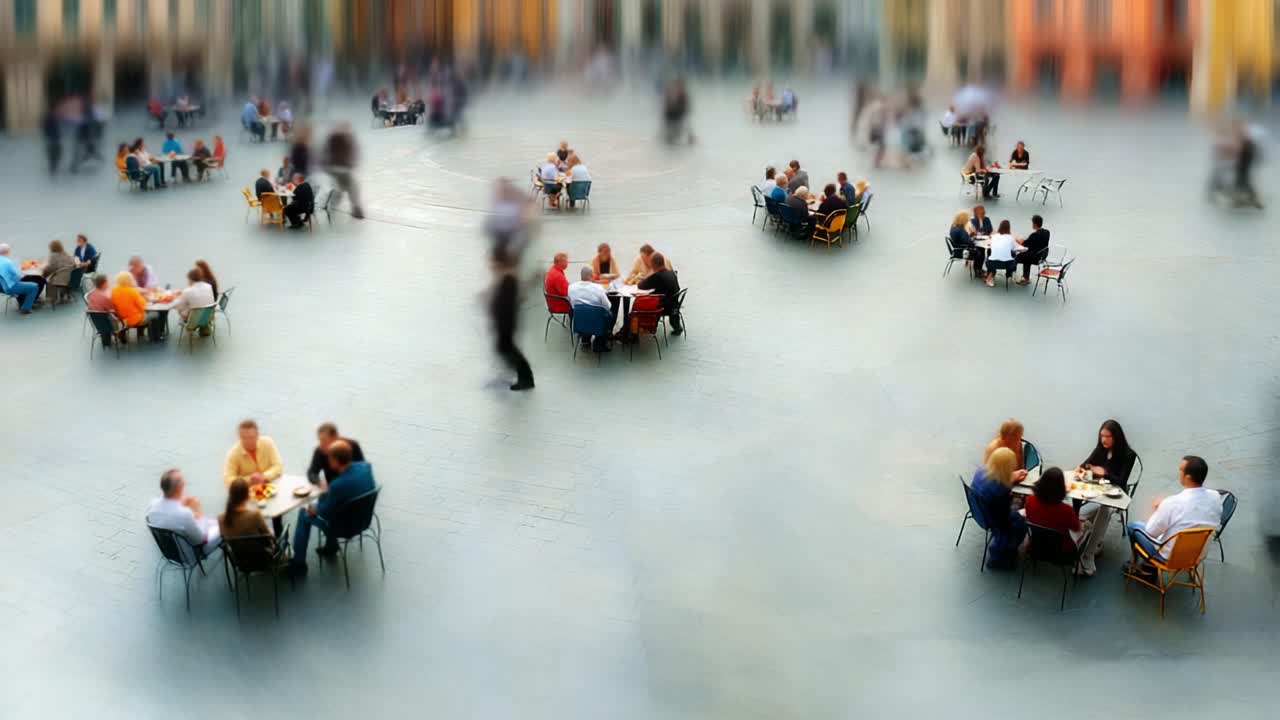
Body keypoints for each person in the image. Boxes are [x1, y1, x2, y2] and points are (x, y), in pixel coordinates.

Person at [287, 440, 375, 577]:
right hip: (364, 518)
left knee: (303, 513)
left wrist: (312, 507)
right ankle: (331, 546)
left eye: (329, 458)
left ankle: (298, 564)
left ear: (335, 461)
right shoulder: (366, 467)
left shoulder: (337, 485)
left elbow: (324, 512)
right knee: (330, 502)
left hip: (345, 527)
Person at [1127, 456, 1224, 572]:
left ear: (1187, 477)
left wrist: (1159, 510)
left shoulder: (1172, 502)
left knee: (1133, 526)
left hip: (1169, 558)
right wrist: (1165, 507)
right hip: (1196, 556)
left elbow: (1151, 532)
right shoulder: (1216, 497)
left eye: (1180, 470)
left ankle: (1143, 568)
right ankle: (1146, 566)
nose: (1178, 472)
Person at [970, 447, 1027, 570]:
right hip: (991, 518)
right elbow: (1003, 519)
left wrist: (1011, 477)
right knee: (1020, 522)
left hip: (978, 510)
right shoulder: (1001, 491)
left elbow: (995, 478)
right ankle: (1002, 557)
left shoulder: (980, 470)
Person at [145, 468, 221, 553]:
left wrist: (179, 503)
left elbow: (169, 515)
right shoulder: (184, 514)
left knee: (213, 522)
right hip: (191, 553)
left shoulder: (152, 505)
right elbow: (200, 540)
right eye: (183, 483)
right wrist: (197, 512)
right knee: (224, 525)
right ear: (179, 488)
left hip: (171, 552)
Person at [1024, 467, 1085, 554]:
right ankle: (1087, 557)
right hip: (1061, 550)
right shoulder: (1066, 510)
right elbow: (1076, 528)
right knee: (1087, 526)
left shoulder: (1030, 500)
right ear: (1060, 488)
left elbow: (1028, 516)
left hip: (1037, 545)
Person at [223, 419, 284, 488]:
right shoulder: (233, 454)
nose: (248, 441)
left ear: (257, 435)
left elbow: (278, 466)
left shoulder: (268, 443)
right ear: (239, 437)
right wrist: (250, 479)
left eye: (251, 437)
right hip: (247, 494)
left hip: (271, 488)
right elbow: (228, 480)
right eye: (244, 438)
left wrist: (264, 476)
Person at [218, 478, 274, 553]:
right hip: (263, 558)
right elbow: (269, 539)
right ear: (248, 495)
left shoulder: (221, 518)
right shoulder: (255, 515)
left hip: (240, 561)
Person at [323, 123, 364, 219]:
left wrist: (351, 164)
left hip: (344, 170)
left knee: (351, 186)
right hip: (335, 169)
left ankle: (355, 208)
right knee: (341, 188)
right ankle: (330, 205)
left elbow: (352, 155)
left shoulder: (346, 141)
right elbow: (326, 156)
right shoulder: (333, 140)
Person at [569, 266, 614, 351]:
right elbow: (608, 306)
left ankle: (585, 339)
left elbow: (572, 305)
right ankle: (599, 342)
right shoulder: (598, 288)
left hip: (580, 320)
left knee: (584, 312)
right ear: (591, 276)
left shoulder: (571, 287)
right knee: (610, 315)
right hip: (596, 321)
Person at [638, 252, 683, 335]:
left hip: (664, 306)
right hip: (674, 304)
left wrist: (643, 278)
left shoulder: (658, 276)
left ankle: (636, 332)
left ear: (654, 265)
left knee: (637, 308)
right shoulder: (671, 272)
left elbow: (641, 286)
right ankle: (676, 327)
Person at [0, 244, 40, 314]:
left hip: (1, 286)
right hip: (10, 287)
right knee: (34, 286)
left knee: (24, 284)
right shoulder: (7, 262)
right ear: (7, 251)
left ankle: (24, 301)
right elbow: (20, 275)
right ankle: (26, 308)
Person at [948, 211, 985, 281]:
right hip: (963, 251)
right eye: (967, 219)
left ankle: (978, 269)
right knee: (981, 251)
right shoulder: (961, 230)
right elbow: (969, 242)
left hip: (957, 248)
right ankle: (978, 271)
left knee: (979, 249)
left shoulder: (954, 226)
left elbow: (965, 239)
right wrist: (974, 240)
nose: (968, 220)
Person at [109, 272, 148, 338]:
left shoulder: (113, 291)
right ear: (129, 280)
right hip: (134, 319)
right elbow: (141, 305)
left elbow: (113, 305)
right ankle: (144, 334)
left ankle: (123, 332)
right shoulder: (133, 291)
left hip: (120, 318)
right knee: (154, 315)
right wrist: (144, 299)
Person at [1015, 215, 1050, 285]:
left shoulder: (1034, 235)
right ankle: (1026, 278)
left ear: (1035, 224)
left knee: (1017, 257)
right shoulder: (1047, 232)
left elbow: (1023, 244)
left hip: (1035, 257)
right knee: (1026, 257)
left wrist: (1016, 239)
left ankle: (1011, 274)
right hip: (1042, 256)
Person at [984, 219, 1019, 287]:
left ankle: (990, 277)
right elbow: (1014, 248)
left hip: (992, 264)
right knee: (1014, 255)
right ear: (1009, 228)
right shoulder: (1011, 238)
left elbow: (990, 245)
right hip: (1007, 264)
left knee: (990, 254)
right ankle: (1010, 275)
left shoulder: (994, 236)